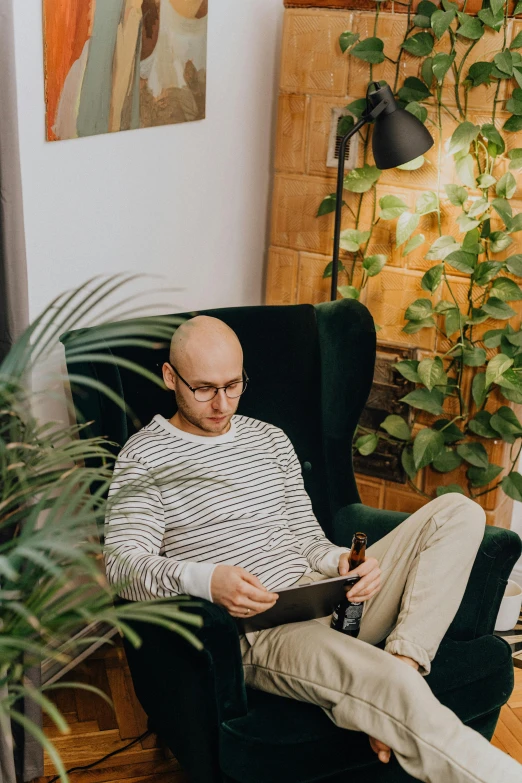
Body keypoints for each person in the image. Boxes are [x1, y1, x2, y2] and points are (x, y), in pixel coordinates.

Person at [103, 315, 522, 783]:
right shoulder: (144, 457)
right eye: (204, 388)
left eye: (233, 385)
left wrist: (339, 561)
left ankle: (404, 662)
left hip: (326, 594)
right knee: (389, 683)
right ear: (169, 377)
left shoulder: (269, 438)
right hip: (262, 628)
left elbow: (305, 536)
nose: (222, 403)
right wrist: (208, 581)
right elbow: (122, 568)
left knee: (458, 512)